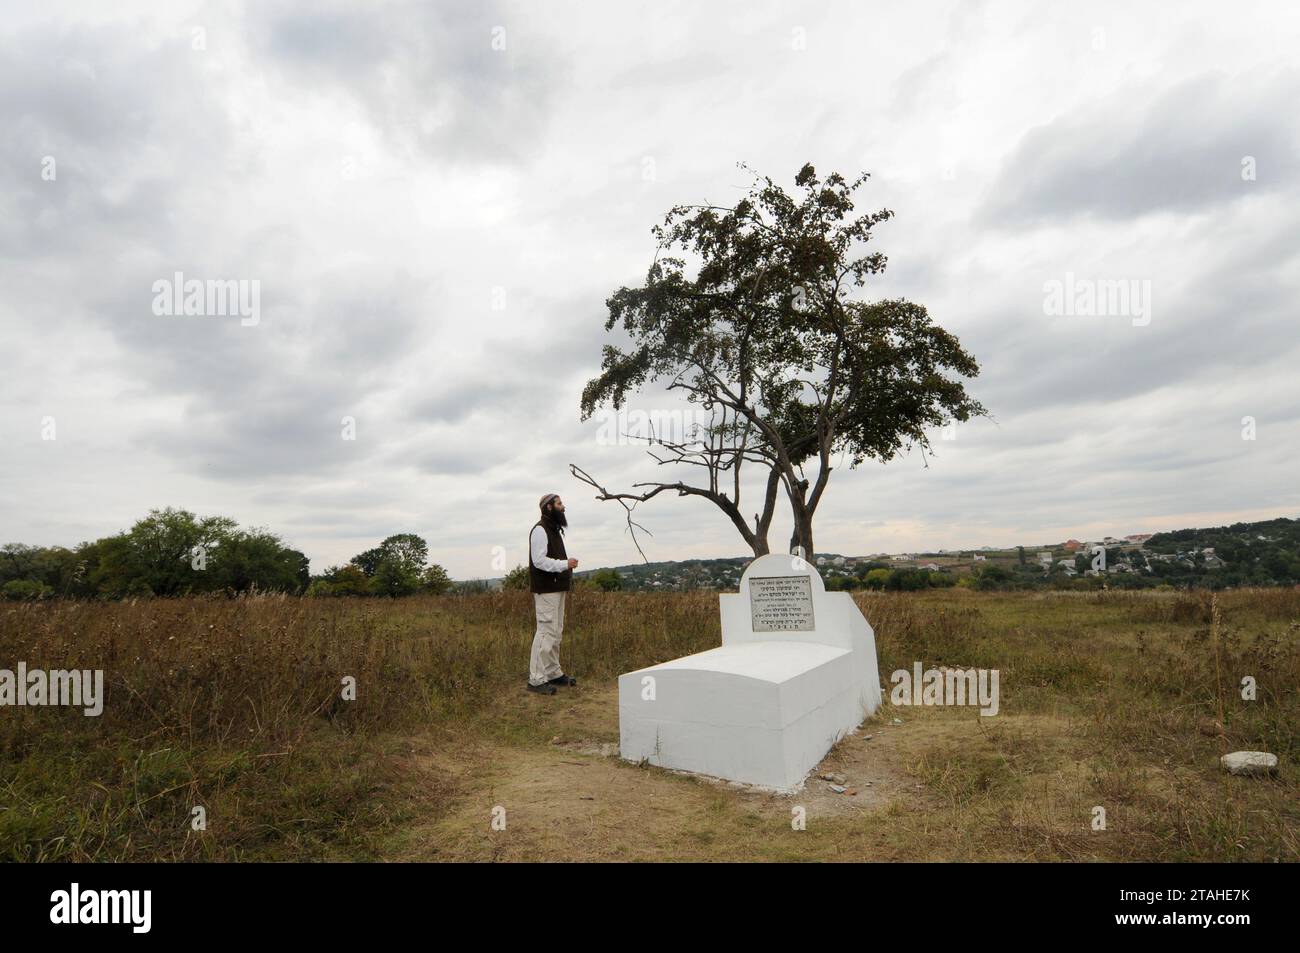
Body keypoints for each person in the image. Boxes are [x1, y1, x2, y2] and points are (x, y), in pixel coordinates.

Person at [527, 493, 579, 695]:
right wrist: (564, 564)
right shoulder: (540, 530)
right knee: (545, 632)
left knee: (556, 632)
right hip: (546, 589)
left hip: (557, 588)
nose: (563, 507)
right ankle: (536, 679)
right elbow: (538, 560)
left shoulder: (553, 529)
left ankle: (553, 673)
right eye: (559, 504)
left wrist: (565, 568)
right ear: (549, 507)